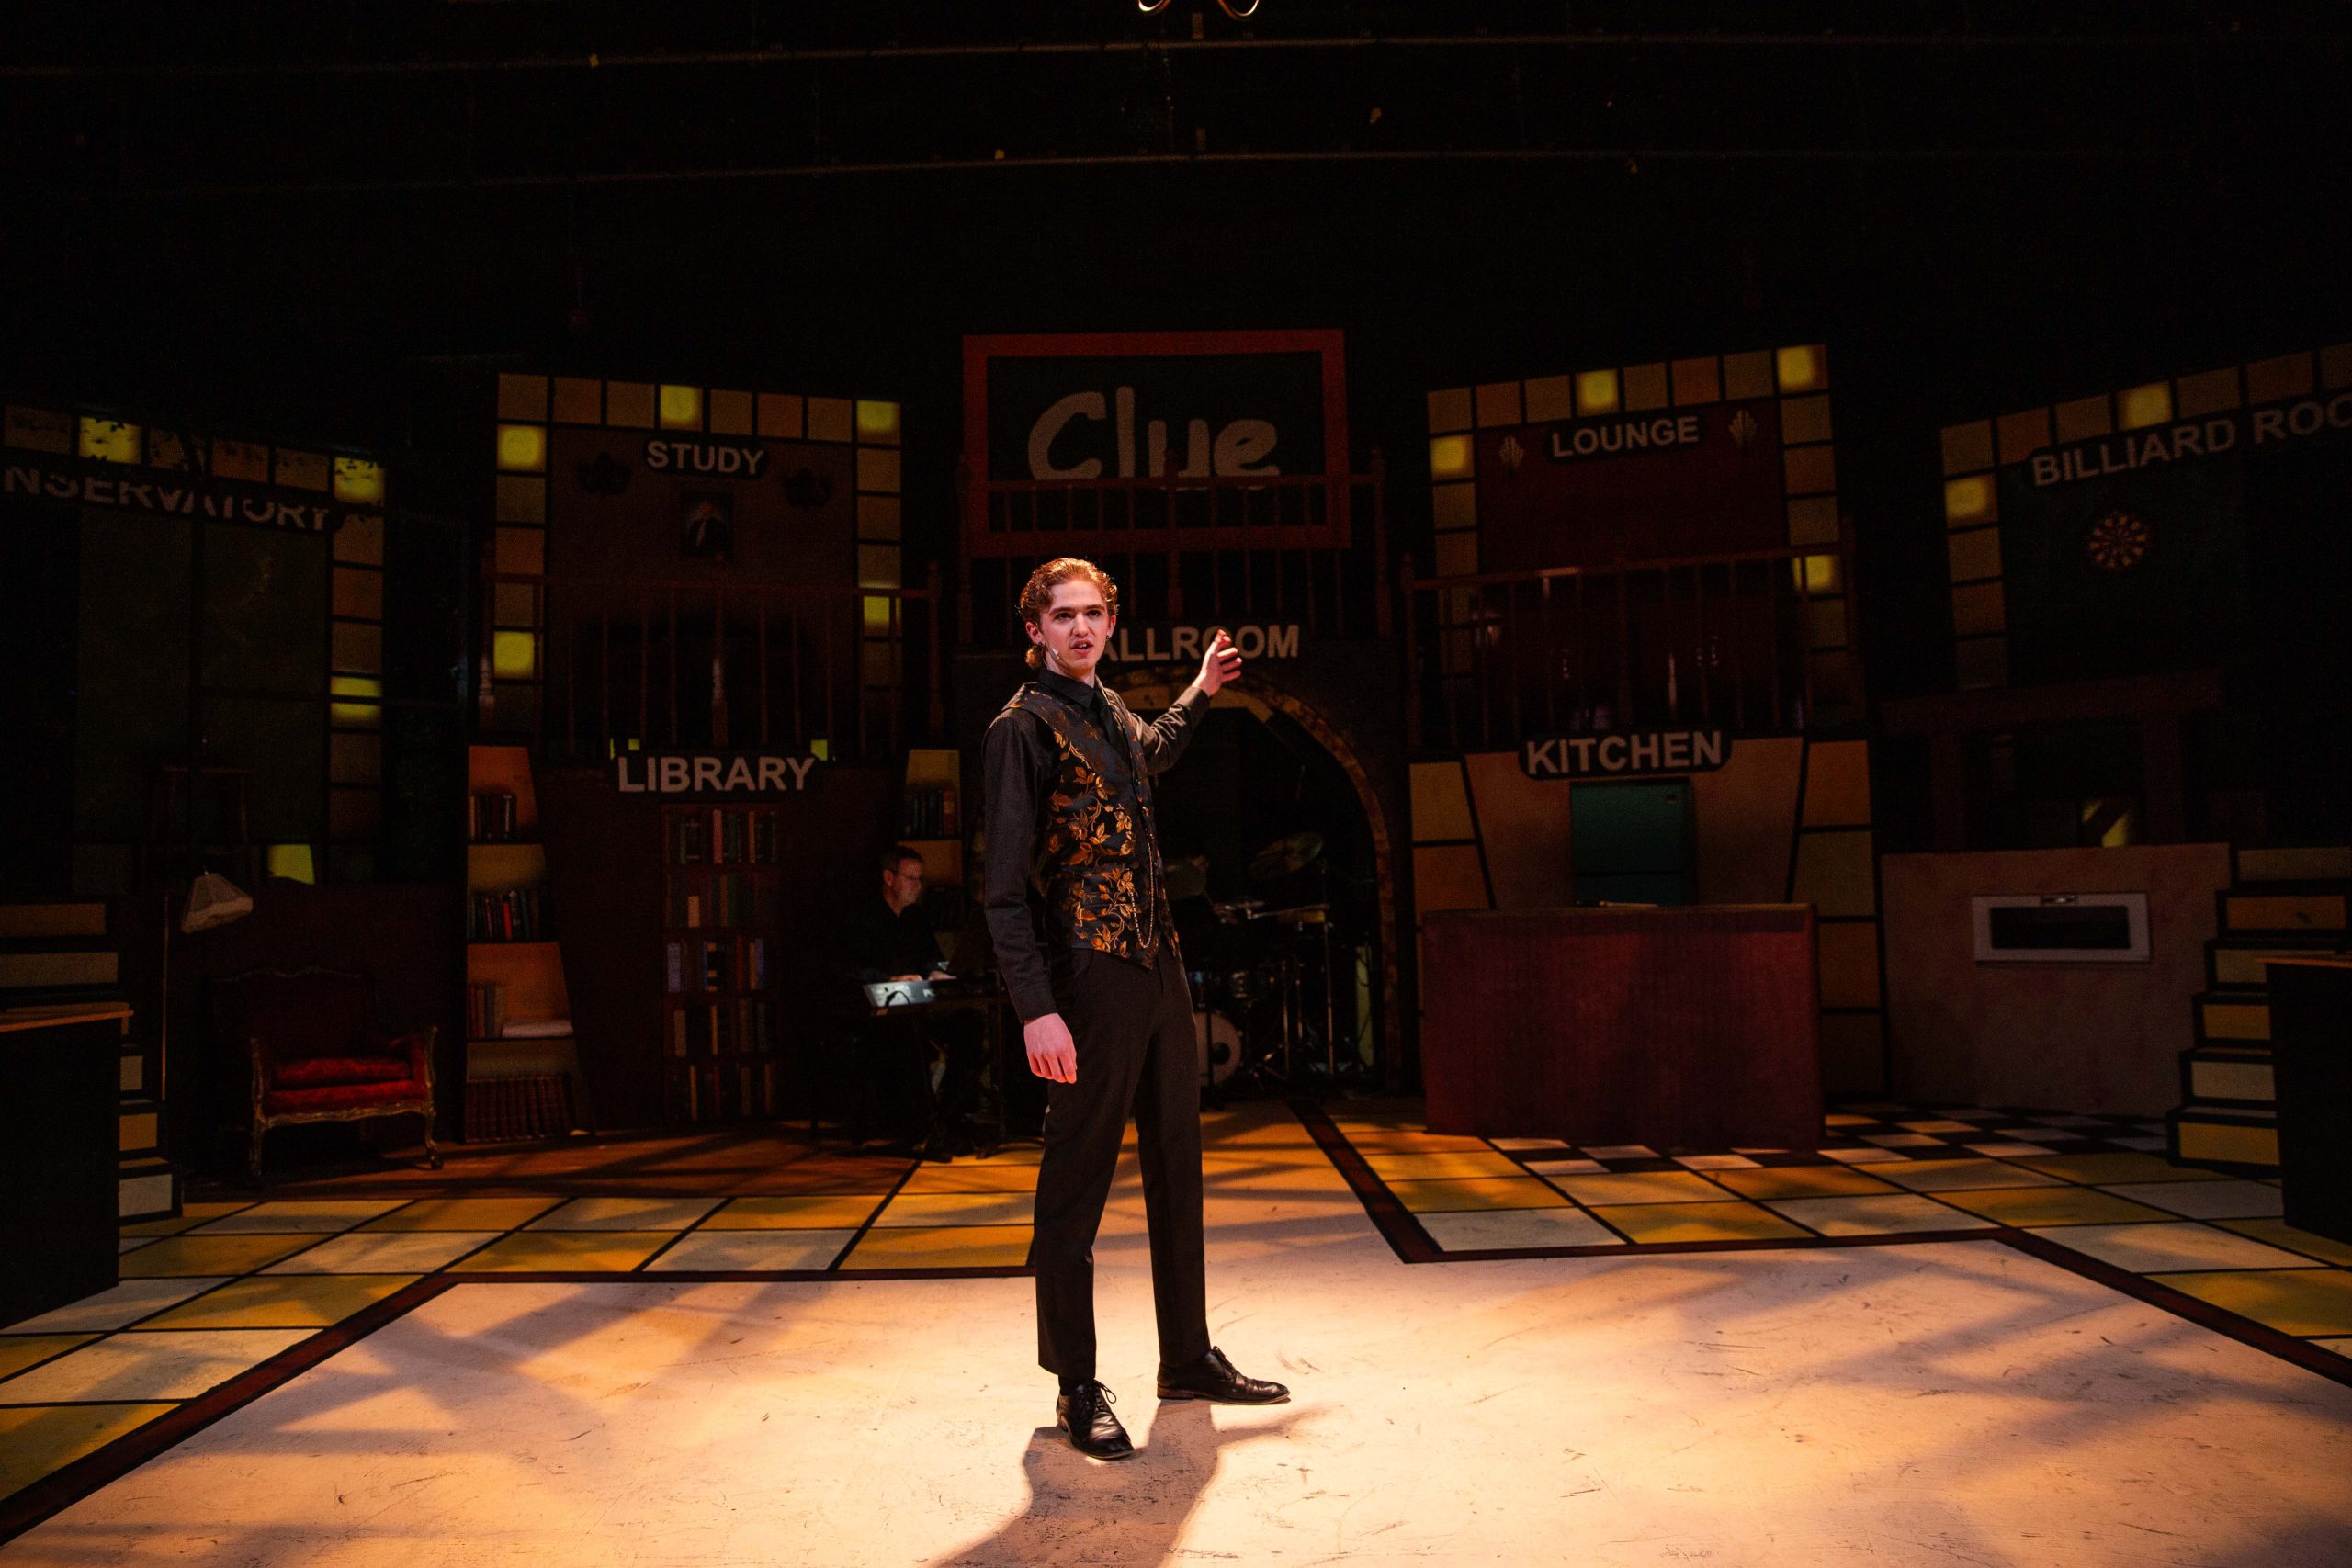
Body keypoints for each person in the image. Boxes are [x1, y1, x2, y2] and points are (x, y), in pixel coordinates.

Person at [981, 557, 1289, 1462]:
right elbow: (1002, 890)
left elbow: (1153, 749)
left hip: (1158, 963)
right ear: (1034, 629)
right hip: (1088, 972)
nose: (1080, 627)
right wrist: (1036, 1009)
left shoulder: (1107, 707)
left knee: (1177, 1166)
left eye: (1093, 613)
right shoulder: (1021, 727)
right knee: (1074, 1183)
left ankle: (1185, 1356)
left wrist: (1199, 691)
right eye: (1062, 615)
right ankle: (1076, 1384)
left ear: (1111, 623)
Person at [839, 844, 986, 1159]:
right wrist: (891, 979)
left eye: (920, 879)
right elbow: (851, 969)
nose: (917, 886)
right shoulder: (862, 917)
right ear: (889, 878)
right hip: (877, 1013)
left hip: (918, 1008)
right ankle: (923, 1126)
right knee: (908, 1035)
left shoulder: (917, 918)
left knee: (971, 1027)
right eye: (911, 879)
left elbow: (930, 956)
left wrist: (936, 971)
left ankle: (945, 1119)